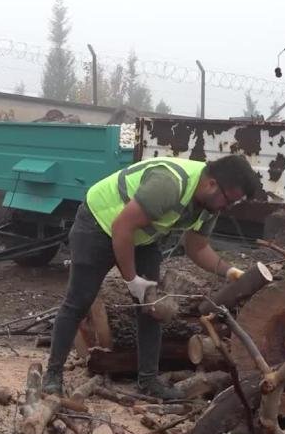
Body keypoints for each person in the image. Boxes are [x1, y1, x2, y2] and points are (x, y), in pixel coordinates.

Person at [43, 155, 261, 399]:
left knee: (152, 308)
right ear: (212, 184)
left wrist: (230, 271)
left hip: (142, 236)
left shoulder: (210, 204)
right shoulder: (169, 184)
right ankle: (52, 376)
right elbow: (121, 228)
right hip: (99, 224)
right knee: (79, 301)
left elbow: (197, 248)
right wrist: (132, 280)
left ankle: (148, 380)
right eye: (228, 201)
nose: (226, 208)